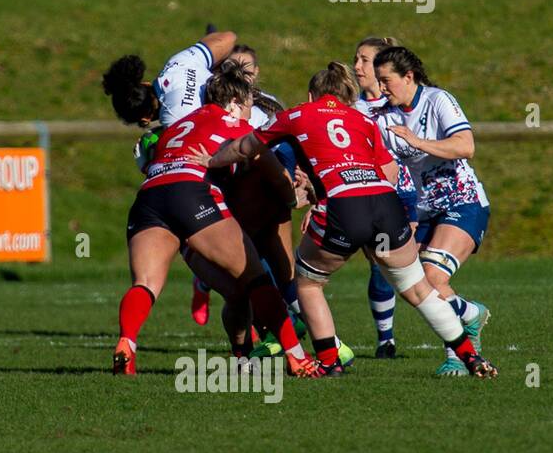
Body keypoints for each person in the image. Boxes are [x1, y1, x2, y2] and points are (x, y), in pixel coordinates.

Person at [197, 62, 496, 379]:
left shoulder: (297, 114)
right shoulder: (362, 119)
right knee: (419, 289)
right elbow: (391, 171)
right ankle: (471, 357)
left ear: (312, 94)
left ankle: (329, 361)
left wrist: (212, 160)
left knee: (309, 284)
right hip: (384, 202)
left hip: (342, 206)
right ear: (346, 97)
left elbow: (247, 146)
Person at [102, 57, 318, 378]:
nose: (249, 112)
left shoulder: (175, 126)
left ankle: (127, 343)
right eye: (247, 104)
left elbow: (154, 161)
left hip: (150, 197)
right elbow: (272, 172)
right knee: (255, 279)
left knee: (149, 284)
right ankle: (298, 357)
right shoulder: (238, 127)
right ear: (233, 103)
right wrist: (292, 197)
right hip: (191, 195)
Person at [373, 46, 491, 377]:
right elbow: (387, 169)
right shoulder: (385, 117)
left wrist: (417, 141)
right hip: (425, 212)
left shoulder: (438, 100)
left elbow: (466, 146)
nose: (382, 89)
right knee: (413, 287)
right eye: (379, 82)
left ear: (408, 77)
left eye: (387, 81)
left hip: (463, 201)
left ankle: (459, 356)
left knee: (434, 278)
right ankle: (470, 314)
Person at [140, 27, 238, 327]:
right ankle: (276, 336)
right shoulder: (179, 66)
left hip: (165, 192)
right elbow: (229, 37)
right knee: (239, 265)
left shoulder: (160, 129)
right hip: (201, 181)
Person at [352, 35, 417, 358]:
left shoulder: (403, 103)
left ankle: (459, 327)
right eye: (356, 59)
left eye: (364, 60)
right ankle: (385, 339)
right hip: (372, 197)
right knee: (380, 265)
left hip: (415, 197)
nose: (357, 66)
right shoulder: (354, 110)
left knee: (419, 271)